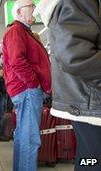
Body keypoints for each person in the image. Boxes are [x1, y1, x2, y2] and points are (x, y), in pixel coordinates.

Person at [34, 0, 101, 170]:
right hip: (91, 99)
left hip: (86, 97)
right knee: (93, 160)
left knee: (89, 158)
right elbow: (76, 56)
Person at [1, 0, 51, 170]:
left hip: (25, 90)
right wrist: (34, 84)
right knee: (30, 139)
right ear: (19, 12)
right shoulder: (16, 31)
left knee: (23, 136)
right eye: (31, 7)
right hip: (27, 90)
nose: (34, 10)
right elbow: (17, 61)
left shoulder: (22, 31)